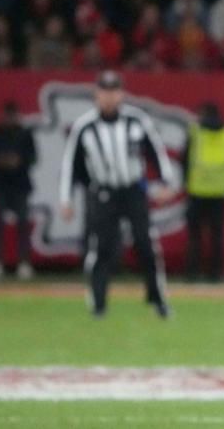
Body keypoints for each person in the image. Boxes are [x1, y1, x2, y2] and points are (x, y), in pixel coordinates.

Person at [59, 71, 176, 318]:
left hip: (133, 190)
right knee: (101, 249)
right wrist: (65, 199)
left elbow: (155, 151)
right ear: (96, 94)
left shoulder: (136, 121)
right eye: (105, 91)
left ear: (121, 93)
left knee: (145, 245)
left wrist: (166, 180)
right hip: (103, 193)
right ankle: (98, 304)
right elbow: (70, 165)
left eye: (114, 91)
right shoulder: (85, 127)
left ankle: (157, 299)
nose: (110, 97)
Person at [183, 103, 224, 282]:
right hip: (220, 191)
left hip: (196, 190)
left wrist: (185, 180)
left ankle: (192, 272)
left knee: (195, 236)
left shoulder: (195, 132)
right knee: (217, 236)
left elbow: (184, 159)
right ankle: (216, 274)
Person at [0, 101, 37, 280]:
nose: (9, 118)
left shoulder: (24, 134)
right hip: (0, 186)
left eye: (12, 114)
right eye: (7, 115)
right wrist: (0, 160)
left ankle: (24, 263)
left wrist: (18, 161)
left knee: (23, 225)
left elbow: (32, 157)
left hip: (20, 186)